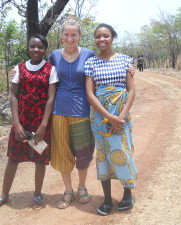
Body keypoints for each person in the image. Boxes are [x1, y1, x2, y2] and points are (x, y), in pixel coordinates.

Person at [0, 34, 58, 211]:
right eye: (33, 46)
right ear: (28, 48)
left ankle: (37, 194)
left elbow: (51, 99)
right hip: (22, 121)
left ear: (45, 49)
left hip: (41, 123)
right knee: (13, 158)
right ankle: (3, 195)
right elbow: (13, 96)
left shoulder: (51, 69)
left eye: (40, 47)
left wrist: (43, 125)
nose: (36, 50)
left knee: (40, 159)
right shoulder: (19, 68)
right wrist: (17, 124)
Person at [84, 23, 138, 216]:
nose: (102, 39)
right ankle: (107, 199)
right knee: (104, 156)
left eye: (105, 36)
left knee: (123, 152)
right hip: (99, 116)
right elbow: (90, 94)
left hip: (122, 113)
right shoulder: (90, 62)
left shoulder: (125, 60)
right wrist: (108, 117)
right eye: (98, 36)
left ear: (112, 37)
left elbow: (131, 91)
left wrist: (120, 117)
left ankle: (127, 194)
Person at [48, 18, 96, 209]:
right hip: (59, 111)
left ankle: (82, 187)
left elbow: (100, 73)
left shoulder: (89, 54)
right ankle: (68, 190)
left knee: (83, 152)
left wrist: (128, 70)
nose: (70, 38)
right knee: (62, 152)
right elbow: (44, 76)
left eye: (73, 34)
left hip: (82, 111)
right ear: (61, 37)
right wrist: (17, 72)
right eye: (66, 34)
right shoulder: (54, 56)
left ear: (79, 36)